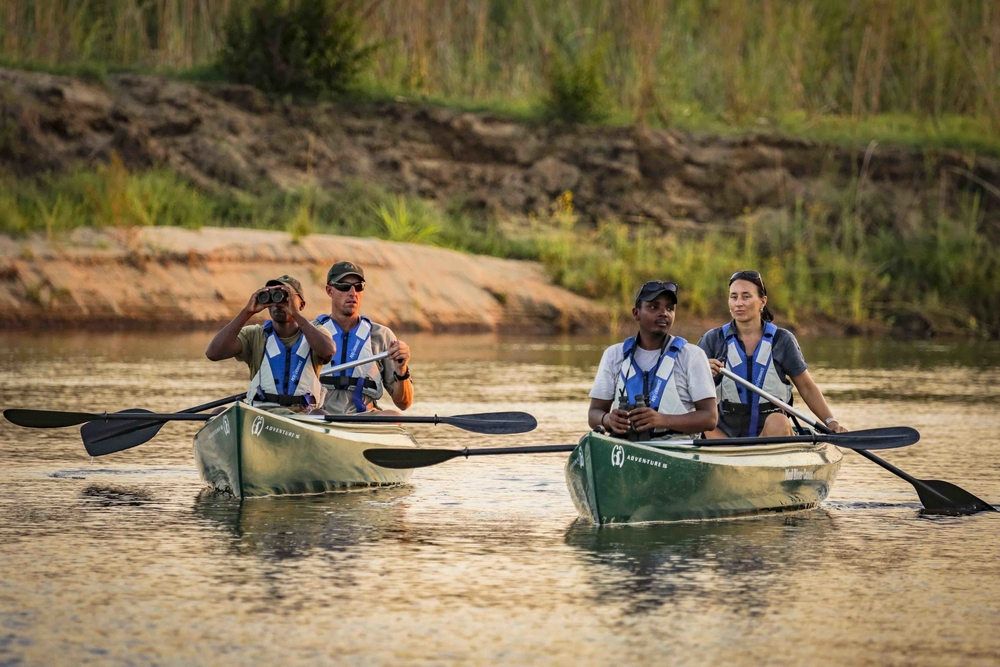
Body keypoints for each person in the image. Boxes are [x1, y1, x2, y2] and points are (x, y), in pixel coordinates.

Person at [698, 270, 848, 439]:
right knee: (704, 421)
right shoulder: (713, 339)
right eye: (734, 297)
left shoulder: (782, 340)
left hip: (770, 435)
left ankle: (753, 457)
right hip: (724, 435)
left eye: (746, 296)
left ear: (763, 301)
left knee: (779, 421)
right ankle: (732, 457)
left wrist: (831, 422)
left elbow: (806, 387)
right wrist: (702, 373)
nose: (738, 303)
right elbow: (688, 388)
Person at [588, 281, 717, 439]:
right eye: (654, 307)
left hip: (677, 449)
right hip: (626, 447)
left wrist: (663, 420)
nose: (664, 313)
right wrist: (608, 420)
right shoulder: (614, 355)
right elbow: (594, 413)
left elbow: (710, 418)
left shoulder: (692, 355)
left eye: (669, 308)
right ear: (636, 313)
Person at [205, 275, 335, 413]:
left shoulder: (316, 333)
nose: (278, 304)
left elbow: (328, 352)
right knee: (219, 413)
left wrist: (296, 315)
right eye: (273, 297)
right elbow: (213, 353)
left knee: (320, 414)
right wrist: (247, 312)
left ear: (301, 305)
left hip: (302, 415)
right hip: (262, 415)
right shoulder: (255, 335)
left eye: (286, 296)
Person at [314, 261, 413, 414]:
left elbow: (404, 404)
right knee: (315, 414)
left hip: (363, 418)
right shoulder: (311, 332)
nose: (352, 292)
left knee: (394, 416)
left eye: (358, 286)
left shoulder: (382, 336)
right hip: (319, 416)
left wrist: (401, 370)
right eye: (344, 286)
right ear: (329, 290)